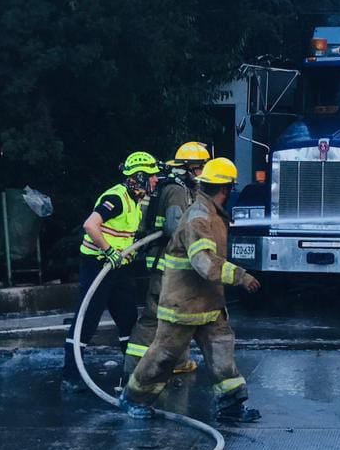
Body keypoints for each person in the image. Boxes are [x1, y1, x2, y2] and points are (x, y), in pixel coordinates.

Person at [120, 157, 263, 423]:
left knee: (222, 352)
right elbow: (204, 263)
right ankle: (133, 399)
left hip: (208, 304)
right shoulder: (198, 217)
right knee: (163, 357)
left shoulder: (213, 213)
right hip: (183, 305)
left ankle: (231, 406)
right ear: (226, 188)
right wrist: (240, 276)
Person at [62, 151, 161, 390]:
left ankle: (133, 372)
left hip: (118, 268)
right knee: (87, 319)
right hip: (98, 265)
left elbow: (123, 234)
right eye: (152, 176)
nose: (156, 181)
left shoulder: (135, 200)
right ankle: (70, 374)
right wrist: (109, 251)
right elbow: (90, 225)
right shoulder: (116, 198)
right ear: (139, 177)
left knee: (127, 318)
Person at [126, 141, 211, 374]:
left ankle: (179, 362)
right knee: (153, 318)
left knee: (177, 317)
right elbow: (174, 227)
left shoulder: (182, 188)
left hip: (174, 266)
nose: (202, 174)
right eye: (199, 168)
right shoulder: (175, 190)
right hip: (166, 265)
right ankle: (133, 367)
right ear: (186, 168)